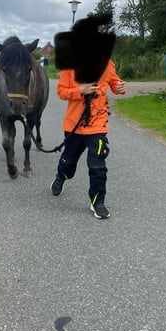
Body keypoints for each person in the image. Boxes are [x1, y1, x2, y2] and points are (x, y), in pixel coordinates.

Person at [50, 60, 126, 218]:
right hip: (74, 126)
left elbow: (114, 82)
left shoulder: (107, 63)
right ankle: (61, 176)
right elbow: (61, 92)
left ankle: (98, 202)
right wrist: (80, 90)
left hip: (98, 125)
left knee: (97, 164)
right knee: (68, 162)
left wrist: (119, 88)